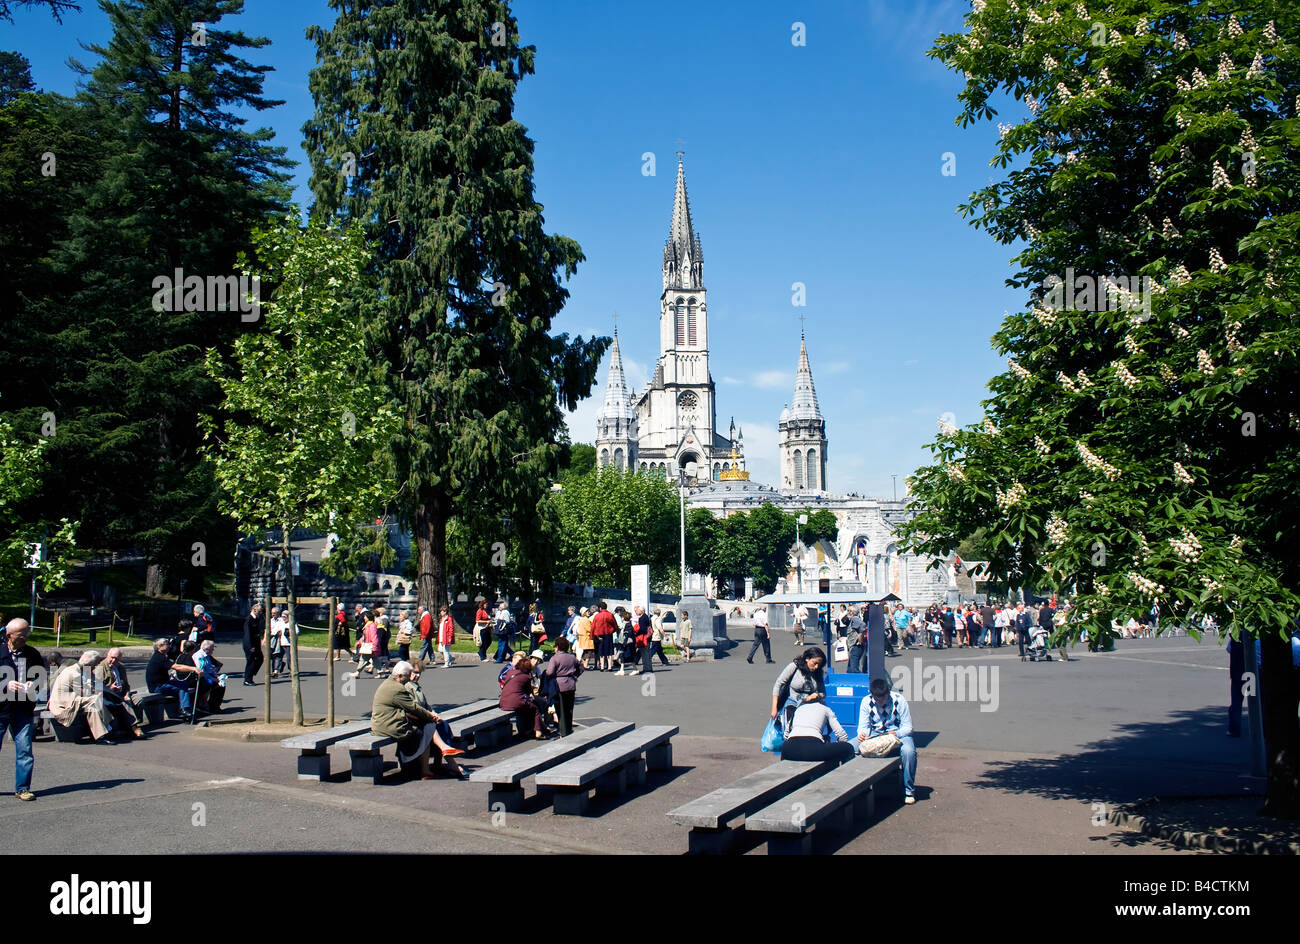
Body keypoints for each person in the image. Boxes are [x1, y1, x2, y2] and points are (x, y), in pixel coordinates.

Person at [371, 661, 464, 780]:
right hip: (388, 726)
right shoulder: (397, 688)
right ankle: (430, 765)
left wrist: (430, 716)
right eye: (408, 675)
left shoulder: (390, 684)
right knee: (428, 728)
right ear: (399, 676)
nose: (409, 678)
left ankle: (430, 765)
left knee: (429, 727)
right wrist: (431, 716)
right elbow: (413, 708)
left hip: (385, 723)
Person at [1, 619, 46, 800]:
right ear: (9, 635)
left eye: (27, 634)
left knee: (25, 750)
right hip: (2, 708)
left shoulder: (32, 654)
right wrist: (5, 683)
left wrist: (32, 683)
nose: (25, 638)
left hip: (23, 709)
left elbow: (41, 678)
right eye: (21, 635)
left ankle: (23, 788)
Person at [857, 677, 917, 804]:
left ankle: (909, 790)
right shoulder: (866, 702)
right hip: (875, 734)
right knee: (850, 748)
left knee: (909, 751)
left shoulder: (899, 700)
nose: (880, 702)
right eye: (877, 699)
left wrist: (897, 733)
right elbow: (863, 726)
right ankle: (858, 790)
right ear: (871, 695)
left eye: (883, 698)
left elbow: (908, 727)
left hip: (897, 733)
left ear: (888, 693)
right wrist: (862, 735)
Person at [404, 659, 466, 778]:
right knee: (432, 728)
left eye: (419, 673)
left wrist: (434, 714)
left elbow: (426, 705)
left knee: (443, 725)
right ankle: (450, 762)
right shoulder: (407, 687)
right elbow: (414, 707)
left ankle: (441, 761)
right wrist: (430, 715)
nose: (416, 675)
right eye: (414, 672)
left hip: (424, 717)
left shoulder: (416, 686)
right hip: (415, 720)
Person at [49, 652, 121, 742]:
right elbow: (85, 693)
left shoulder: (78, 670)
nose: (97, 665)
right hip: (62, 705)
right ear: (90, 664)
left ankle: (101, 735)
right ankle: (108, 726)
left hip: (72, 700)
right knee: (96, 699)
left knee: (93, 707)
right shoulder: (74, 673)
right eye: (96, 663)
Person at [780, 692, 855, 763]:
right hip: (813, 749)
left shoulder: (798, 709)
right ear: (821, 701)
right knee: (848, 748)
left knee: (786, 747)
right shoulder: (825, 709)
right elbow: (842, 735)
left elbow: (786, 735)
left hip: (789, 749)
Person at [769, 648, 828, 732]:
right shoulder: (794, 667)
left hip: (809, 706)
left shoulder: (818, 672)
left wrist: (817, 695)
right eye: (815, 663)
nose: (816, 667)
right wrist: (774, 708)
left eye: (819, 665)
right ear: (807, 659)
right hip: (792, 703)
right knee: (789, 731)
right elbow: (778, 684)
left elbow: (823, 692)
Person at [95, 648, 146, 736]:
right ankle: (134, 727)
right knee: (124, 703)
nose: (114, 660)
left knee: (138, 700)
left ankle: (128, 725)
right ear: (108, 655)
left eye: (117, 659)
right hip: (109, 694)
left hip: (121, 693)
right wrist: (110, 688)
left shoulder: (121, 667)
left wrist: (127, 693)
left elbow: (126, 684)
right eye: (112, 657)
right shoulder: (100, 667)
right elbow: (97, 687)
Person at [145, 637, 196, 719]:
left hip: (164, 683)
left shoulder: (162, 656)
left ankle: (184, 708)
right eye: (166, 644)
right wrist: (193, 668)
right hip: (157, 686)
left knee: (183, 684)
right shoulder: (159, 657)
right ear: (159, 647)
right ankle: (184, 710)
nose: (169, 646)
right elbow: (176, 667)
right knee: (181, 688)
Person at [541, 638, 583, 736]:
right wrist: (575, 675)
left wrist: (547, 674)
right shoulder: (572, 657)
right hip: (571, 684)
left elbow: (550, 672)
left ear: (557, 647)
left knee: (560, 709)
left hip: (559, 685)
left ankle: (563, 731)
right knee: (569, 709)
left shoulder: (555, 658)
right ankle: (568, 729)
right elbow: (581, 667)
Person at [499, 656, 545, 739]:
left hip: (503, 702)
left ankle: (526, 730)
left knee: (523, 709)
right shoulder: (527, 677)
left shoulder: (510, 672)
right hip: (517, 702)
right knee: (535, 709)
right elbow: (528, 692)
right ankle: (538, 731)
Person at [194, 640, 227, 714]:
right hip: (201, 678)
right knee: (211, 684)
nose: (213, 650)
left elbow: (210, 669)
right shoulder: (199, 656)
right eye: (212, 648)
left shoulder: (207, 656)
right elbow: (202, 671)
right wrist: (213, 679)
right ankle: (203, 705)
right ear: (206, 649)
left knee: (221, 686)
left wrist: (217, 677)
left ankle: (214, 706)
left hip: (208, 676)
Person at [590, 601, 617, 672]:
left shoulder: (597, 616)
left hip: (599, 635)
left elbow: (593, 626)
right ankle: (609, 666)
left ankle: (602, 666)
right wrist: (614, 630)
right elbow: (614, 624)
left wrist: (592, 636)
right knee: (609, 650)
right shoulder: (610, 615)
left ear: (600, 608)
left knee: (601, 650)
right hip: (608, 634)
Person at [241, 602, 264, 685]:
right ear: (254, 610)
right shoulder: (249, 619)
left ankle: (250, 673)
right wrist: (250, 646)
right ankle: (247, 679)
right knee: (251, 661)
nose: (260, 613)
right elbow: (247, 634)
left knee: (260, 658)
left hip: (256, 643)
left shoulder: (256, 618)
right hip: (250, 644)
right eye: (259, 611)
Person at [845, 606, 867, 675]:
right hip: (852, 645)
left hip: (856, 645)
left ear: (852, 612)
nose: (847, 613)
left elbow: (863, 626)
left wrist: (860, 639)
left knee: (854, 667)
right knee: (850, 667)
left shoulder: (855, 618)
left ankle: (859, 681)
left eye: (849, 611)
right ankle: (849, 679)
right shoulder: (852, 619)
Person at [268, 607, 287, 676]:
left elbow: (282, 629)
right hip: (272, 639)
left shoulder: (281, 620)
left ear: (278, 613)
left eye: (274, 613)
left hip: (280, 640)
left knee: (278, 655)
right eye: (272, 613)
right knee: (271, 655)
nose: (272, 614)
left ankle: (275, 671)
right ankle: (280, 664)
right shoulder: (270, 620)